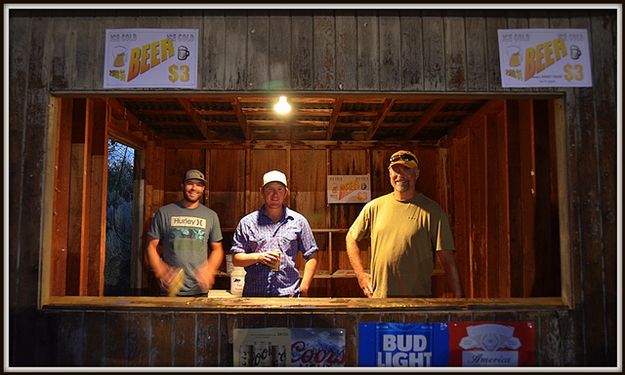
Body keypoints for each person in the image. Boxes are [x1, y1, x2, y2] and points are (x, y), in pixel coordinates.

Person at [346, 150, 463, 298]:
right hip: (379, 300)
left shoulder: (433, 211)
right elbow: (351, 238)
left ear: (417, 173)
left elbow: (447, 260)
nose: (400, 175)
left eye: (406, 169)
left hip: (418, 302)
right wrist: (361, 276)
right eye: (395, 170)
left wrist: (460, 302)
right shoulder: (374, 207)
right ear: (389, 174)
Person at [230, 170, 318, 297]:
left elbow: (312, 255)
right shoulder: (247, 222)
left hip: (289, 295)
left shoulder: (298, 221)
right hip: (254, 295)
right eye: (270, 189)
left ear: (286, 192)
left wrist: (304, 287)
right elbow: (236, 259)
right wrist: (258, 257)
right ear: (262, 192)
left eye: (280, 189)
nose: (275, 194)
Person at [146, 169, 224, 297]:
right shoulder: (164, 212)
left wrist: (210, 269)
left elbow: (217, 249)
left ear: (203, 189)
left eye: (199, 185)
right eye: (190, 183)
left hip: (199, 290)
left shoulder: (211, 215)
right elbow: (150, 246)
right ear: (182, 186)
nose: (194, 188)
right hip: (170, 289)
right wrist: (160, 269)